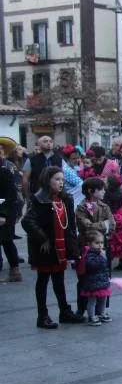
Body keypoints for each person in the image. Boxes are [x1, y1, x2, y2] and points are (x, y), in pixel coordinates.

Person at [22, 166, 85, 329]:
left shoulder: (66, 199)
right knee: (43, 280)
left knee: (59, 279)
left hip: (61, 245)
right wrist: (42, 238)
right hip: (46, 247)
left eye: (62, 179)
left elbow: (70, 226)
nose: (61, 183)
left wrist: (74, 247)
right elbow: (27, 221)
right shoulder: (39, 199)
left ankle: (64, 311)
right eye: (57, 179)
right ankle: (42, 316)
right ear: (47, 180)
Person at [76, 230, 112, 325]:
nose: (100, 245)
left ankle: (101, 313)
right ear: (89, 243)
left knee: (104, 298)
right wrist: (102, 257)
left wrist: (107, 277)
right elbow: (93, 265)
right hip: (93, 282)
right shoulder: (89, 254)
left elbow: (105, 268)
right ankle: (91, 316)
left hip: (102, 281)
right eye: (97, 243)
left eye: (101, 243)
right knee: (92, 300)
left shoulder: (100, 253)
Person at [0, 140, 22, 282]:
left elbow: (9, 195)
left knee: (6, 240)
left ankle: (15, 272)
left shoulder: (5, 171)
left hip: (5, 211)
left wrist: (3, 215)